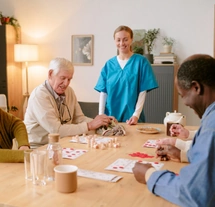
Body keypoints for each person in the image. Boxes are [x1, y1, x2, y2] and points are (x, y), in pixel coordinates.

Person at [132, 54, 215, 206]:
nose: (185, 103)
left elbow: (194, 195)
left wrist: (150, 175)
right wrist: (184, 154)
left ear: (196, 87)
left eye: (183, 96)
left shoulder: (212, 125)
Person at [24, 57, 115, 148]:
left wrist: (101, 122)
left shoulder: (69, 91)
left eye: (69, 79)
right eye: (62, 78)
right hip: (39, 147)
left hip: (63, 142)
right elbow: (57, 130)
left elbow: (79, 119)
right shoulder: (39, 96)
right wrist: (90, 125)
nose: (66, 83)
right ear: (50, 74)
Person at [94, 25, 158, 125]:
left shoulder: (141, 62)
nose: (122, 43)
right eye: (118, 40)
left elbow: (143, 91)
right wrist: (101, 115)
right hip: (110, 117)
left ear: (131, 40)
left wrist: (136, 115)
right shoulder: (109, 65)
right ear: (114, 41)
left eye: (125, 39)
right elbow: (103, 92)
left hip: (132, 117)